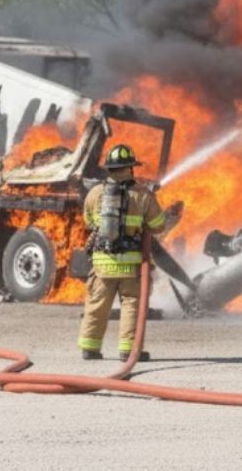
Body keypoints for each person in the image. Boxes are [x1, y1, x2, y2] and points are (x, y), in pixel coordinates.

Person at [77, 144, 182, 361]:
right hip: (131, 266)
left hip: (102, 264)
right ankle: (128, 351)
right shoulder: (142, 194)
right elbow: (159, 225)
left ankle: (89, 348)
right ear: (130, 168)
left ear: (110, 169)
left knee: (97, 306)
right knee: (131, 307)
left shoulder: (95, 193)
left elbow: (88, 222)